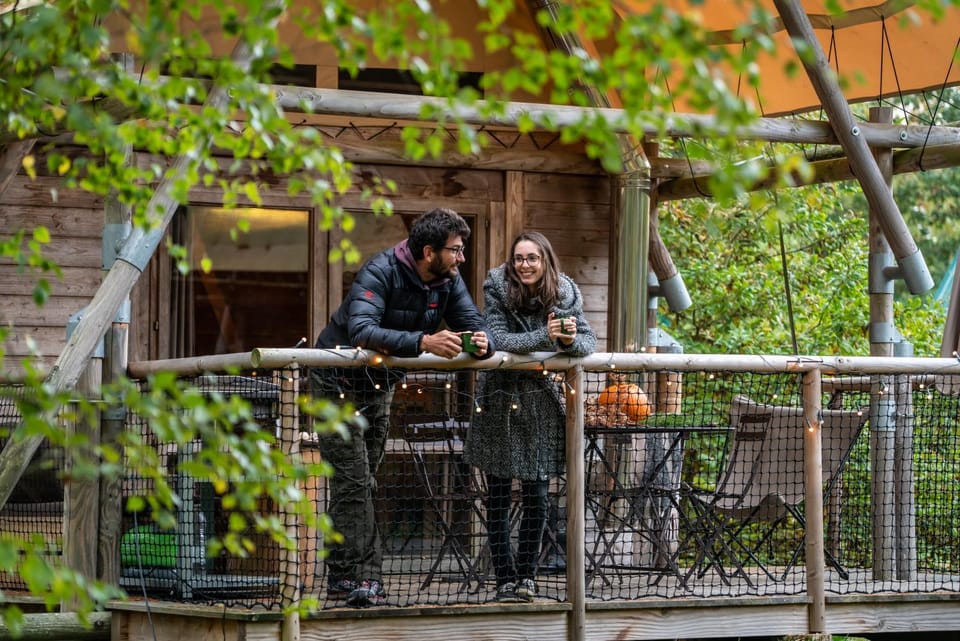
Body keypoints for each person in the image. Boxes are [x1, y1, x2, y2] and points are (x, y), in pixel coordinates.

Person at [310, 207, 493, 607]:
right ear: (429, 252)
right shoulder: (379, 270)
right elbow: (361, 330)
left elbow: (474, 322)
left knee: (361, 481)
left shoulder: (449, 280)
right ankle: (367, 579)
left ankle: (340, 575)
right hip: (334, 382)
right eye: (456, 250)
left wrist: (482, 343)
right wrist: (424, 342)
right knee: (355, 482)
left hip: (380, 385)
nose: (462, 258)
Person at [464, 231, 596, 602]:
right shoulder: (497, 288)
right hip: (500, 402)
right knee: (500, 495)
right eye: (519, 258)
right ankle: (504, 578)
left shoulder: (565, 294)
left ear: (545, 261)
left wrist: (568, 341)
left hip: (541, 403)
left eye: (532, 258)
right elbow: (498, 338)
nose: (524, 265)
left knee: (538, 494)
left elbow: (588, 342)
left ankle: (527, 577)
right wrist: (544, 336)